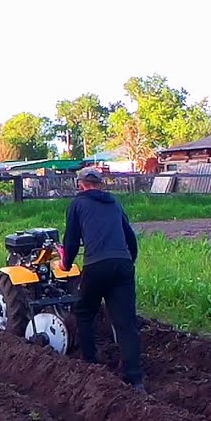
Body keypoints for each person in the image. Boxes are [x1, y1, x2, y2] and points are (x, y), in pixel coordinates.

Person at [60, 167, 145, 391]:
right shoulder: (114, 203)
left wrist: (66, 264)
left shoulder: (77, 204)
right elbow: (130, 237)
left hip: (96, 265)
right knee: (125, 322)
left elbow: (71, 240)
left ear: (81, 185)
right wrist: (128, 261)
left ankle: (91, 364)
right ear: (99, 184)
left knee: (85, 312)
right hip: (123, 264)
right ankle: (135, 378)